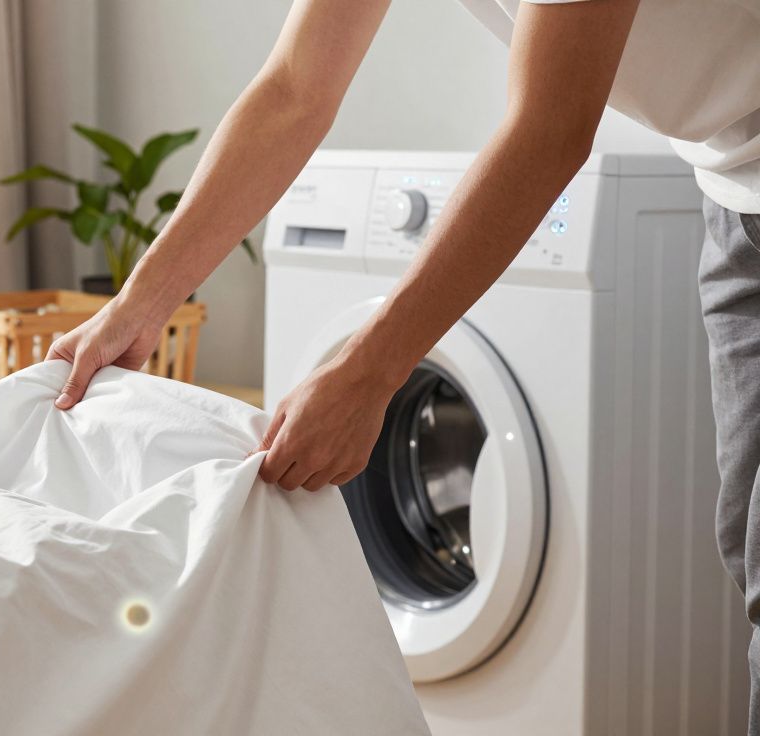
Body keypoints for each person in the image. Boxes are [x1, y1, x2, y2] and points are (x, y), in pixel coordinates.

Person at [44, 0, 760, 727]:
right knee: (749, 546)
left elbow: (550, 128)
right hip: (736, 189)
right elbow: (295, 87)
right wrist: (137, 304)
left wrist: (369, 373)